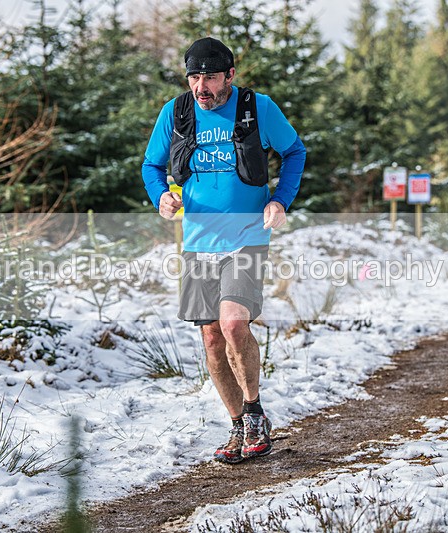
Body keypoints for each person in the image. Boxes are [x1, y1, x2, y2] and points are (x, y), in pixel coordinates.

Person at [141, 37, 306, 464]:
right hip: (198, 241)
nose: (201, 87)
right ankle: (237, 425)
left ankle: (254, 412)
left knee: (233, 323)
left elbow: (294, 151)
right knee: (212, 338)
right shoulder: (176, 112)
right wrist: (160, 196)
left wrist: (280, 201)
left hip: (248, 236)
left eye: (211, 77)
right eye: (194, 78)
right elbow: (151, 165)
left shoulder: (258, 108)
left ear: (230, 75)